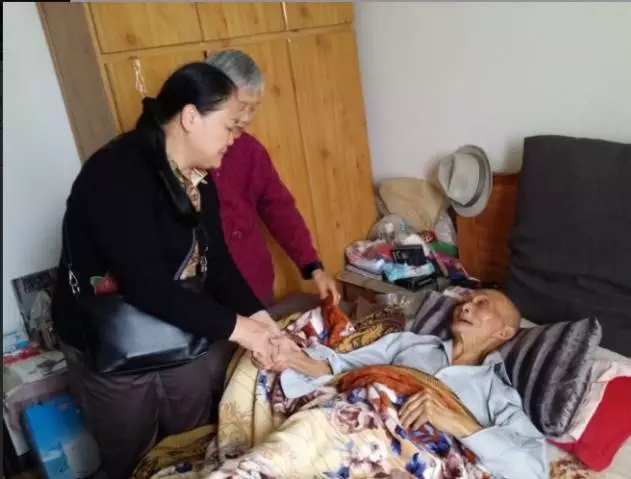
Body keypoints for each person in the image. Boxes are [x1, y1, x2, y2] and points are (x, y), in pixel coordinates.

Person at [51, 62, 287, 478]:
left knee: (193, 445)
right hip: (112, 341)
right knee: (133, 459)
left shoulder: (199, 178)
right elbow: (145, 285)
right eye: (229, 126)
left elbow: (218, 264)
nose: (235, 138)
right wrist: (242, 330)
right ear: (191, 117)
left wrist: (264, 322)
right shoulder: (116, 174)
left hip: (178, 328)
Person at [274, 289, 548, 479]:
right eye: (466, 301)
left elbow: (533, 470)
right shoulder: (410, 344)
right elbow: (345, 367)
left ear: (504, 332)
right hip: (351, 421)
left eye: (482, 304)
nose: (465, 306)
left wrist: (457, 423)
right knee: (295, 442)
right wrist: (293, 359)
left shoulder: (498, 393)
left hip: (415, 463)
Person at [204, 49, 341, 306]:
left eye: (253, 108)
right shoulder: (187, 156)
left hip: (254, 284)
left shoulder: (249, 150)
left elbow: (280, 209)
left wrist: (313, 267)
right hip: (208, 298)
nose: (246, 118)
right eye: (241, 107)